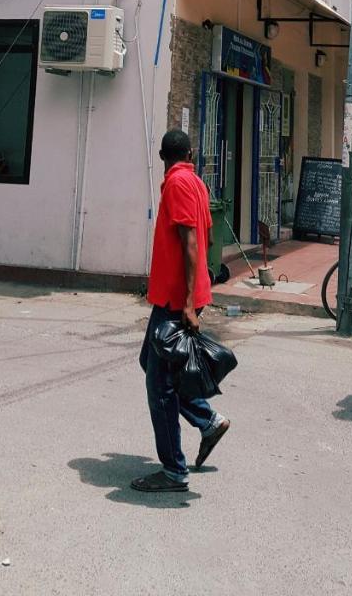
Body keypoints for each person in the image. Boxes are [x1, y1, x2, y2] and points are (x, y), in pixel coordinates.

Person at [133, 129, 230, 493]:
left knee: (159, 386)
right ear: (189, 153)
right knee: (150, 360)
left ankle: (174, 471)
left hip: (177, 300)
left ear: (162, 156)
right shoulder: (196, 183)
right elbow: (205, 235)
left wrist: (189, 302)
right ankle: (208, 421)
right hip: (176, 295)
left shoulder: (177, 185)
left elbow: (191, 242)